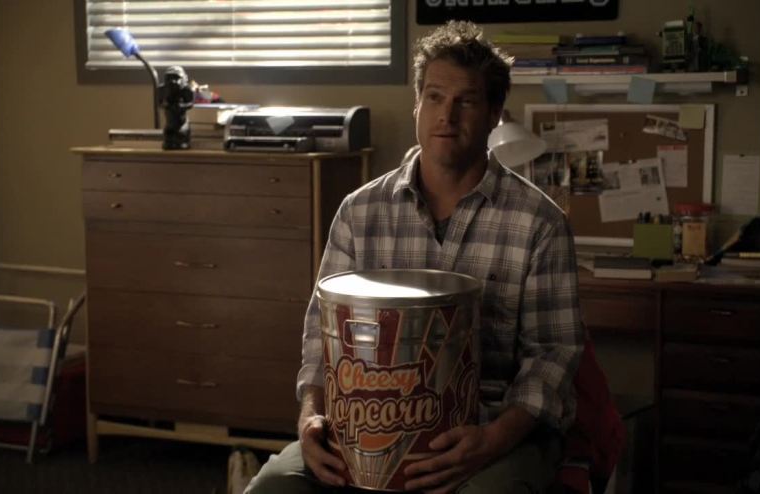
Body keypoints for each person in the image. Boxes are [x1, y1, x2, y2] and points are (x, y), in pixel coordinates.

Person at [245, 20, 583, 494]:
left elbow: (553, 355)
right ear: (417, 105)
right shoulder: (359, 211)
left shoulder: (539, 223)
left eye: (466, 101)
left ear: (494, 114)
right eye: (435, 97)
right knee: (274, 486)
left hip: (488, 429)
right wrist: (310, 418)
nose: (447, 115)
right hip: (363, 427)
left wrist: (492, 440)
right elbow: (321, 336)